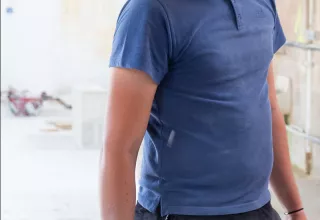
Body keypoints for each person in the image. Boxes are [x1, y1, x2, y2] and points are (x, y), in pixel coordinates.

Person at [100, 0, 306, 219]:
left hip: (258, 208)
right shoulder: (150, 10)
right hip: (182, 212)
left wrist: (295, 209)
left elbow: (269, 108)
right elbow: (120, 148)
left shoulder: (262, 4)